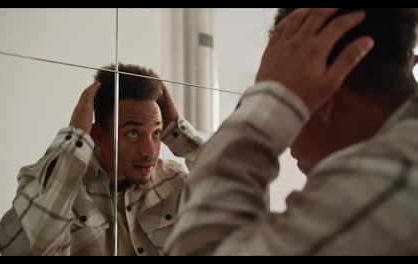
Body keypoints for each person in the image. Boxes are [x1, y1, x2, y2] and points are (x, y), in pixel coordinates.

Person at [165, 8, 418, 255]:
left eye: (287, 93)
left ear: (324, 97)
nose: (286, 144)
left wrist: (266, 102)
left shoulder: (390, 173)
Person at [0, 64, 204, 255]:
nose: (149, 151)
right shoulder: (52, 184)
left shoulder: (175, 180)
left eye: (157, 133)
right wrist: (75, 138)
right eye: (133, 133)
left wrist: (179, 132)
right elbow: (23, 250)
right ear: (97, 135)